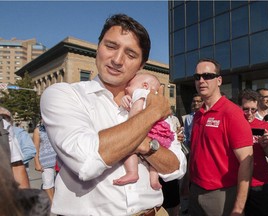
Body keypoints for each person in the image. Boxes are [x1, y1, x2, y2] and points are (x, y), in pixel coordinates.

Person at [40, 13, 187, 215]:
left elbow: (176, 168)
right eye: (111, 46)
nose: (117, 60)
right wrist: (151, 117)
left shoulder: (155, 102)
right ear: (98, 46)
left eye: (131, 54)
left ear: (141, 65)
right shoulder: (64, 95)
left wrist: (147, 145)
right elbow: (86, 162)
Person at [188, 58, 253, 216]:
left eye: (207, 76)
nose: (201, 81)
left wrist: (238, 208)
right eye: (197, 77)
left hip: (221, 195)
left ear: (219, 80)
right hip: (195, 190)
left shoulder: (232, 113)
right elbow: (195, 151)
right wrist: (186, 182)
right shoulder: (198, 114)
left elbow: (247, 161)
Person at [113, 73, 175, 191]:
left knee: (129, 149)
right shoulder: (156, 98)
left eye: (130, 85)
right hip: (161, 132)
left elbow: (136, 111)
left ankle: (132, 172)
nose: (126, 88)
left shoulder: (140, 92)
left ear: (145, 85)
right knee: (154, 159)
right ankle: (154, 179)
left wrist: (130, 126)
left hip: (147, 128)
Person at [238, 89, 268, 216]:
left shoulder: (264, 126)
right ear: (239, 107)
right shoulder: (233, 125)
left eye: (253, 109)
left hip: (260, 184)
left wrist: (265, 146)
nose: (250, 113)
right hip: (237, 184)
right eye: (245, 109)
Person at [0, 106, 30, 189]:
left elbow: (17, 165)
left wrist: (24, 198)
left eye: (6, 117)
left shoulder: (3, 127)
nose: (5, 119)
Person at [33, 119, 57, 202]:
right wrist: (37, 163)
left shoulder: (56, 127)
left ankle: (59, 202)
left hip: (59, 160)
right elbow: (35, 148)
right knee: (48, 183)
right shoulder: (38, 130)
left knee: (59, 183)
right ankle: (53, 203)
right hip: (45, 161)